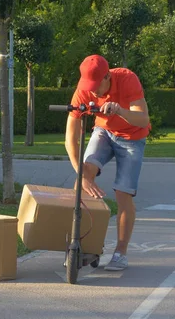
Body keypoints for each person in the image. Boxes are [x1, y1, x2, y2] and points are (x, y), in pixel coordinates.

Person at [64, 55, 150, 271]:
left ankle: (120, 252)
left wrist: (120, 110)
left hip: (132, 138)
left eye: (96, 86)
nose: (93, 91)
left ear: (107, 76)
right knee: (83, 178)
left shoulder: (127, 79)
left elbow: (143, 119)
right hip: (104, 131)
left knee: (123, 193)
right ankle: (81, 245)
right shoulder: (83, 90)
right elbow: (70, 138)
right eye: (88, 86)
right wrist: (81, 175)